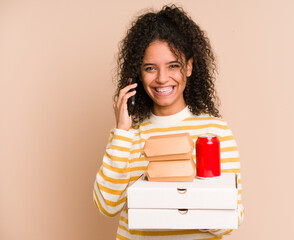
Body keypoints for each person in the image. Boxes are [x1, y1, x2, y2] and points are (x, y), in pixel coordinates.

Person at [93, 5, 244, 240]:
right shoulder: (128, 135)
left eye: (173, 65)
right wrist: (121, 132)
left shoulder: (214, 132)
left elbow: (231, 218)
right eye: (150, 68)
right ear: (139, 75)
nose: (162, 78)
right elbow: (107, 205)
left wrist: (182, 199)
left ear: (190, 66)